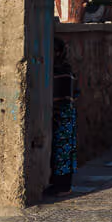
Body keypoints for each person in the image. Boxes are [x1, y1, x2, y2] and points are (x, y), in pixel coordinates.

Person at [46, 38, 78, 195]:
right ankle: (59, 184)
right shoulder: (64, 69)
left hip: (63, 116)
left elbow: (67, 93)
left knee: (62, 152)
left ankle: (62, 186)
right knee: (62, 152)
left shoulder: (62, 70)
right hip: (66, 115)